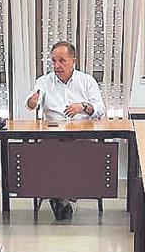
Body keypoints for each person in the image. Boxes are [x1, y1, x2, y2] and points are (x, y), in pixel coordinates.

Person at [24, 40, 107, 220]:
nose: (57, 65)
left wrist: (84, 107)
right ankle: (62, 196)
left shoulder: (86, 81)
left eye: (62, 61)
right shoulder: (44, 81)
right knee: (51, 152)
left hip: (81, 135)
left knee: (76, 152)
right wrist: (32, 101)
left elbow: (100, 110)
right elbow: (32, 101)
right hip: (52, 135)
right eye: (53, 61)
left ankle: (60, 196)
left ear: (73, 61)